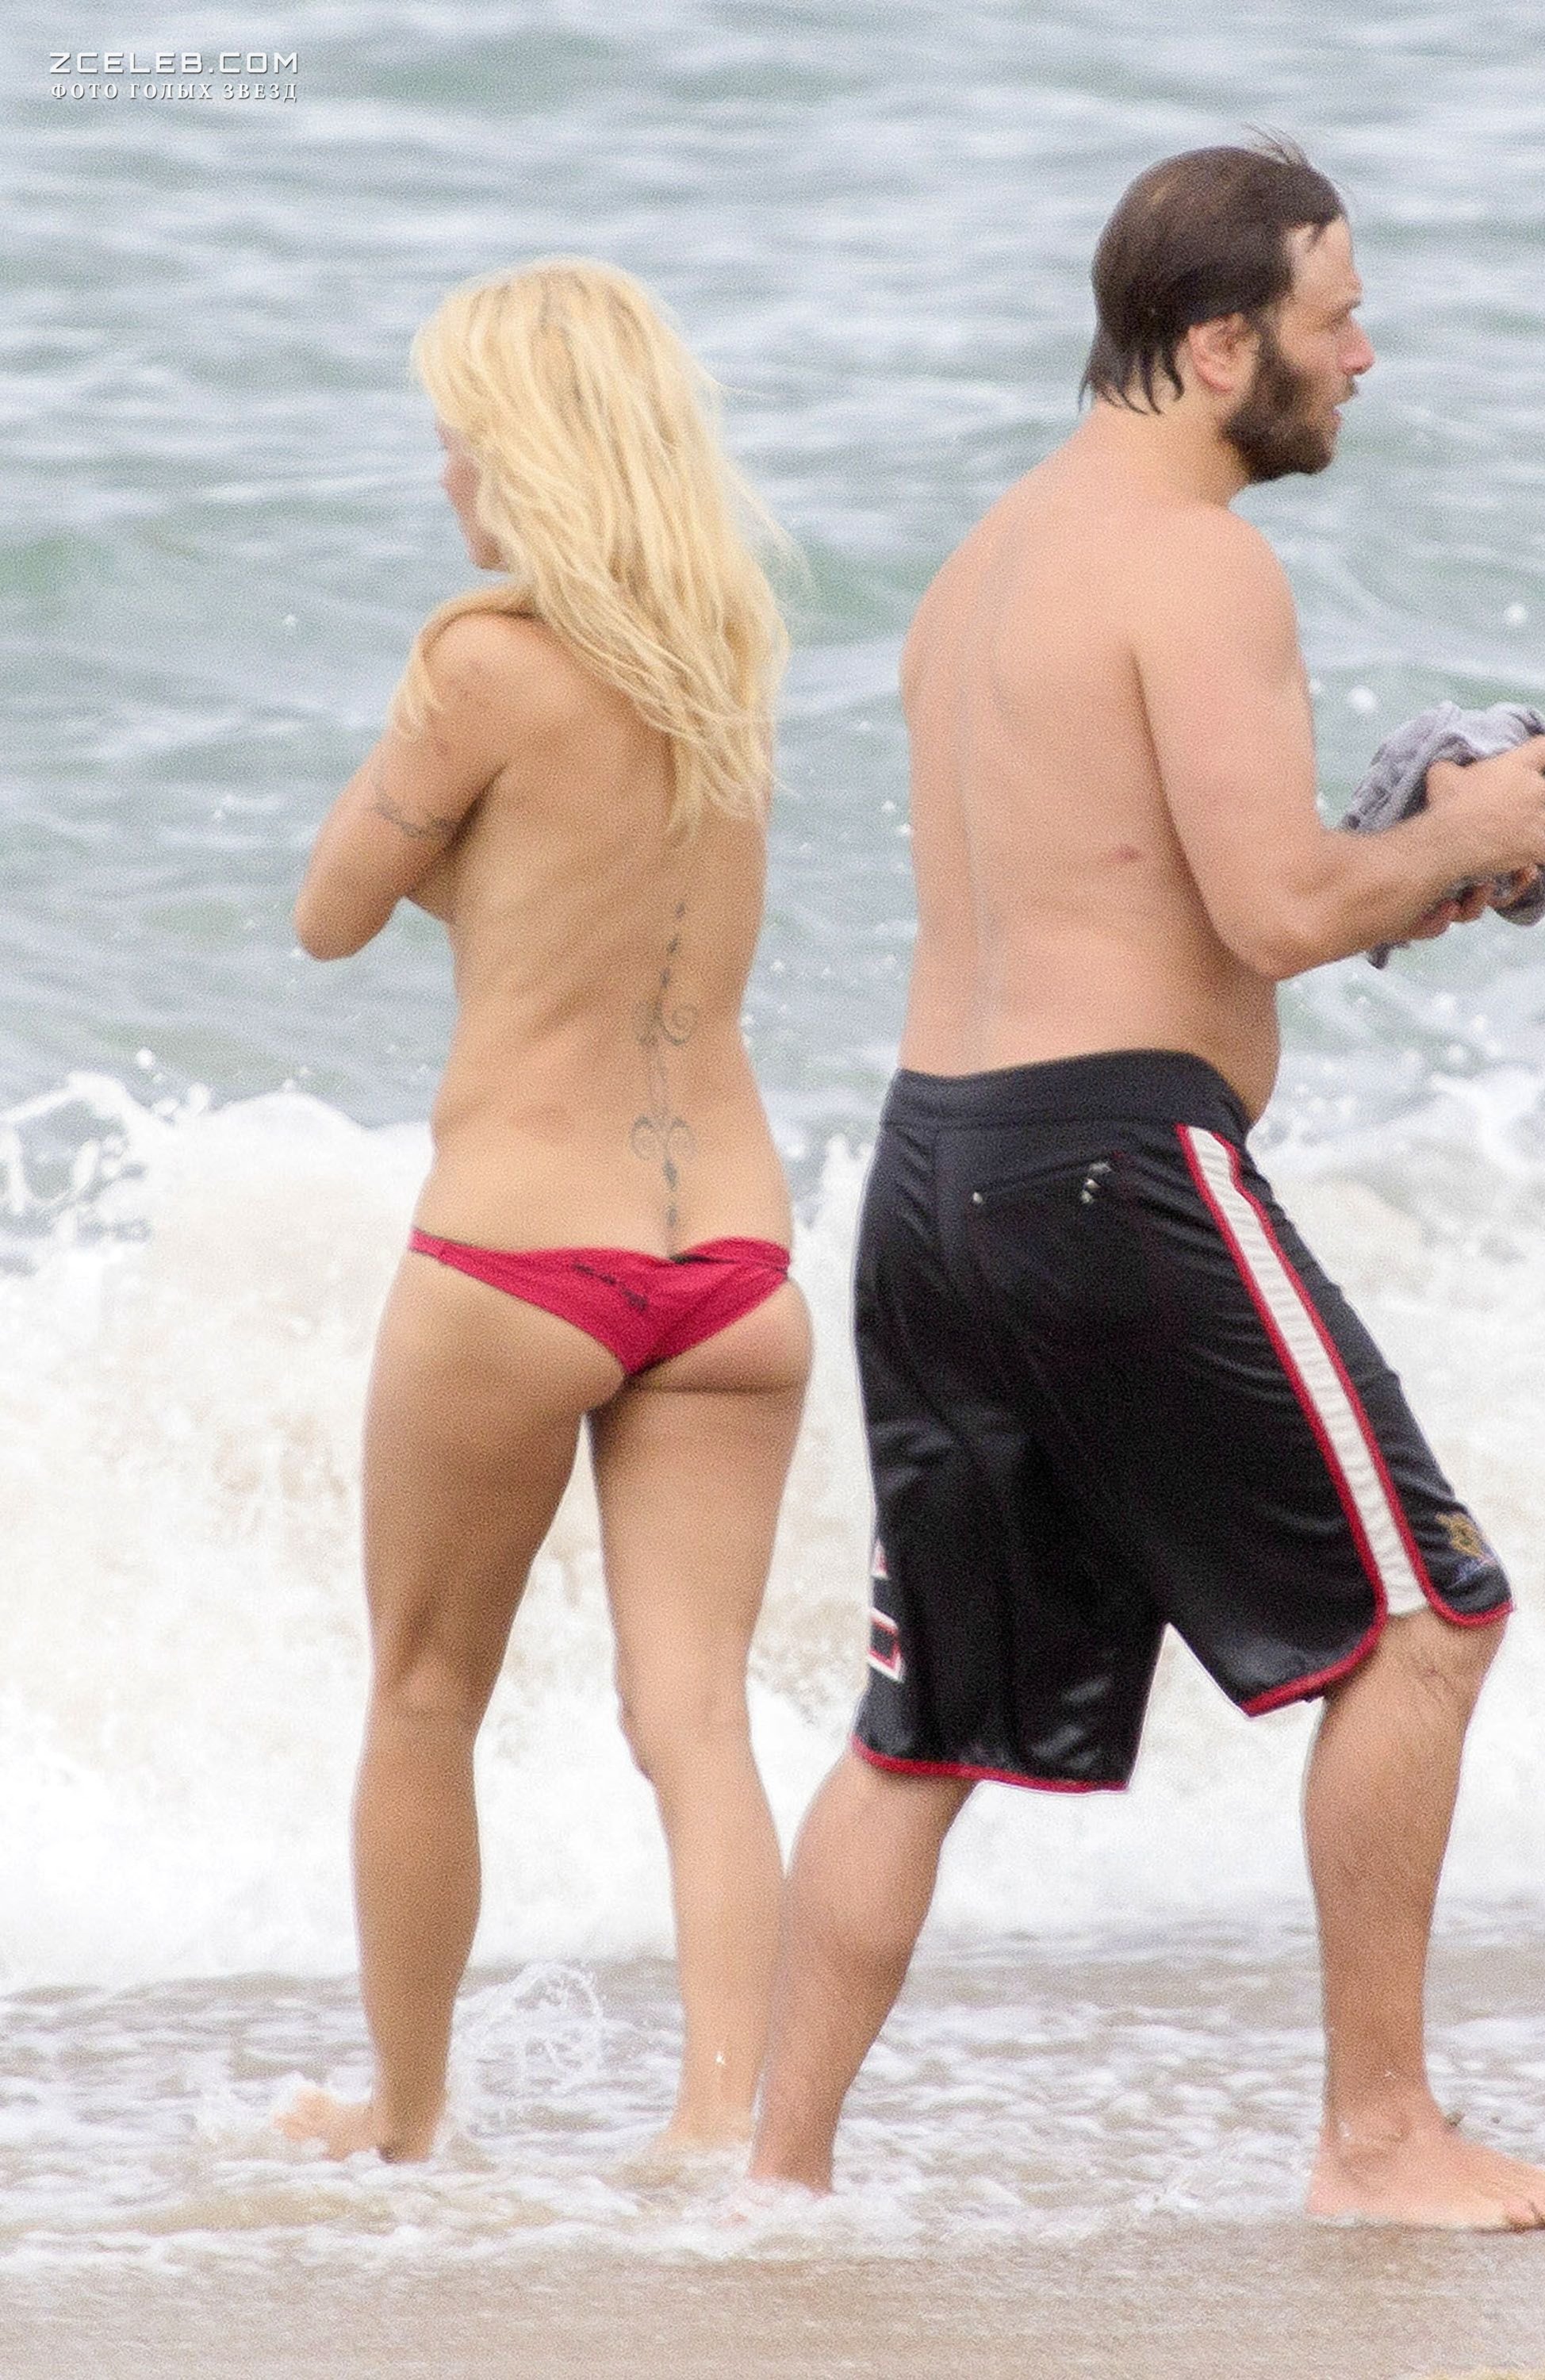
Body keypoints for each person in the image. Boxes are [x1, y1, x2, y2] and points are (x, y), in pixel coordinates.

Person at [750, 142, 1545, 2230]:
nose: (1364, 355)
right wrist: (1466, 833)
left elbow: (1149, 894)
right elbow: (1276, 906)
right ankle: (1379, 2141)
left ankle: (768, 2190)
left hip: (937, 1170)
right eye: (1337, 317)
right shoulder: (1200, 566)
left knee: (918, 1729)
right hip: (1108, 1172)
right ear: (1222, 342)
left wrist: (1397, 878)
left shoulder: (986, 568)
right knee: (1424, 1619)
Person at [279, 259, 811, 2164]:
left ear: (531, 453)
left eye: (462, 438)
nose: (446, 474)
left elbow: (329, 912)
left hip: (520, 1257)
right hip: (732, 1267)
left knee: (425, 1697)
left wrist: (455, 840)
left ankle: (406, 2120)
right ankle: (724, 2127)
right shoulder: (728, 663)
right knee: (701, 1722)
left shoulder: (484, 667)